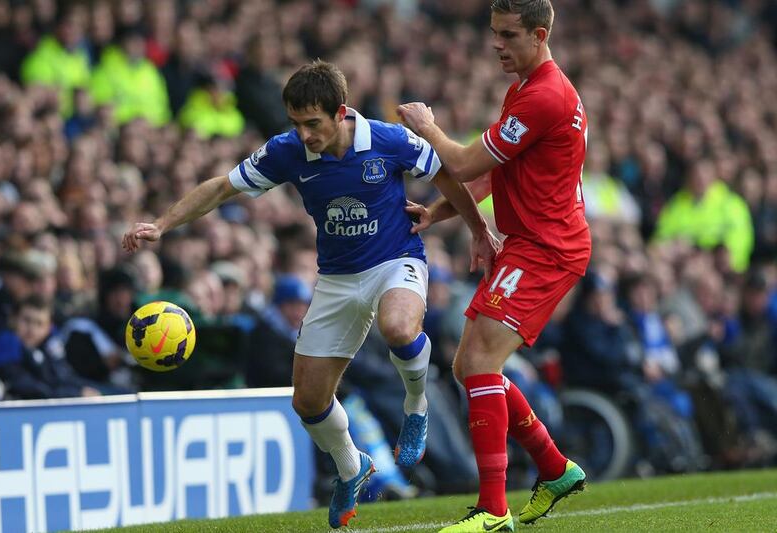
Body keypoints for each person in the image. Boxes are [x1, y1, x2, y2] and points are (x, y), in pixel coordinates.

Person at [122, 60, 497, 529]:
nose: (304, 135)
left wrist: (478, 229)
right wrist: (162, 224)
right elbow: (222, 188)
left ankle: (416, 406)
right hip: (337, 279)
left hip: (394, 260)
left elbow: (447, 176)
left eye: (313, 124)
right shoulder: (287, 151)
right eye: (296, 124)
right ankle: (351, 467)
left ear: (341, 112)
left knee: (399, 327)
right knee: (308, 402)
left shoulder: (389, 139)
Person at [398, 1, 590, 530]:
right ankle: (553, 469)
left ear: (540, 33)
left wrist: (426, 128)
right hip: (532, 243)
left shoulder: (545, 96)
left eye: (508, 34)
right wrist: (440, 212)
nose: (497, 45)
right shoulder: (528, 90)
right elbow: (492, 172)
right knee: (468, 367)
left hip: (546, 249)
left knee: (480, 361)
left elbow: (460, 161)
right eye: (493, 33)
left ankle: (492, 510)